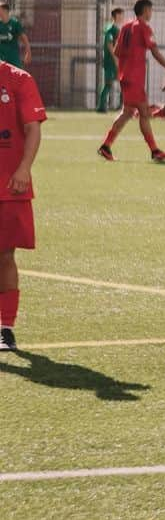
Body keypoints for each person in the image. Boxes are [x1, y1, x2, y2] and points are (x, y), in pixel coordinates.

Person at [0, 56, 47, 350]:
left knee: (4, 256)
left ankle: (5, 327)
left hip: (7, 185)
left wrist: (23, 168)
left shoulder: (18, 78)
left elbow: (32, 128)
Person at [97, 0, 165, 163]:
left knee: (127, 113)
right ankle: (154, 150)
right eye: (151, 10)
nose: (151, 13)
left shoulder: (126, 27)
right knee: (144, 112)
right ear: (146, 10)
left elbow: (118, 52)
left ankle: (106, 146)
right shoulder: (143, 27)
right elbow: (154, 51)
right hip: (134, 78)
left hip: (125, 76)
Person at [96, 6, 124, 112]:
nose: (122, 17)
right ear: (115, 16)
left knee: (123, 83)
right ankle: (102, 106)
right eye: (120, 15)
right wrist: (116, 59)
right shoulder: (110, 29)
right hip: (111, 61)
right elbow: (110, 45)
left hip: (118, 61)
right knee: (108, 83)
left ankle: (122, 105)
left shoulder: (118, 29)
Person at [0, 2, 31, 71]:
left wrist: (28, 52)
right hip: (1, 58)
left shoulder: (15, 23)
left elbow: (24, 38)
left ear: (5, 10)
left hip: (13, 58)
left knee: (16, 77)